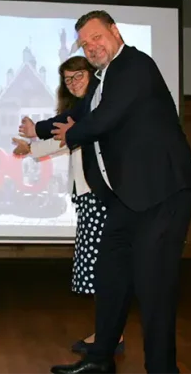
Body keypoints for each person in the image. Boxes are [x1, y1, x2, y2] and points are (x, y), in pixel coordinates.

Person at [19, 10, 191, 374]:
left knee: (154, 287)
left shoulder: (134, 66)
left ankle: (162, 369)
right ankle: (100, 360)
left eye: (96, 37)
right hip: (126, 199)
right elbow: (79, 116)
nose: (92, 47)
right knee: (111, 277)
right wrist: (39, 129)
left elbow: (103, 120)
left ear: (115, 32)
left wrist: (71, 134)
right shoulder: (102, 82)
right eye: (85, 43)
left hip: (162, 193)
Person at [12, 55, 124, 357]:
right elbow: (66, 140)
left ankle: (110, 335)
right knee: (99, 268)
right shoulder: (82, 113)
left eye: (79, 76)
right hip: (88, 196)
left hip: (101, 196)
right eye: (68, 79)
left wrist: (35, 135)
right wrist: (32, 147)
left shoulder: (96, 108)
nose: (73, 83)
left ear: (92, 75)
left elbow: (69, 136)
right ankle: (109, 333)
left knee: (103, 268)